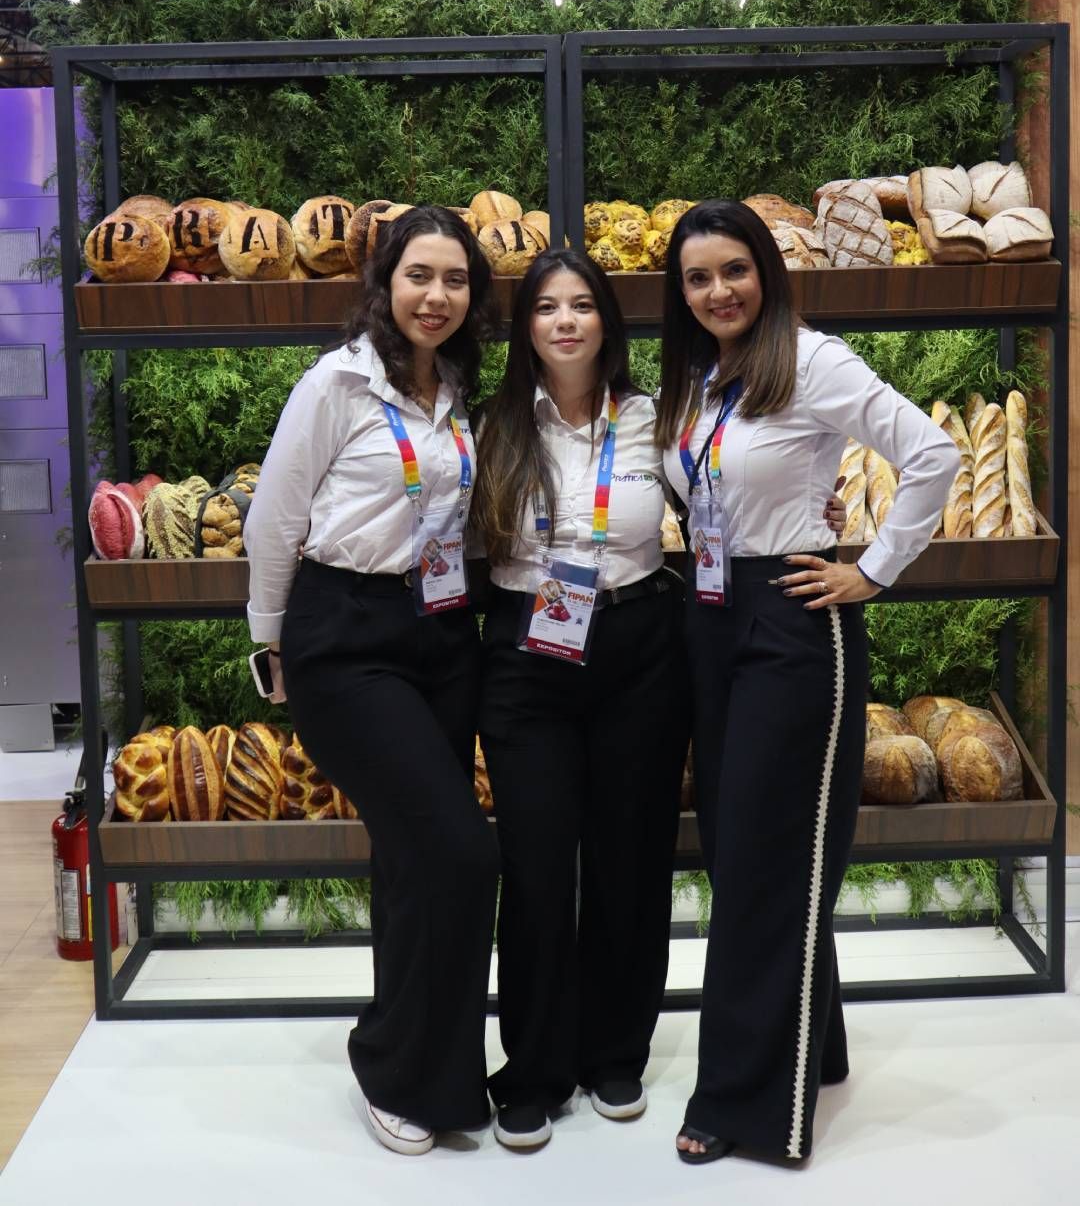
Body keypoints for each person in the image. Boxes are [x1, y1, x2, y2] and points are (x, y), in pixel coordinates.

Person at [471, 248, 849, 1152]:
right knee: (533, 864)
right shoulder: (491, 426)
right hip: (527, 653)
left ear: (608, 320)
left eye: (582, 306)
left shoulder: (659, 416)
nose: (565, 322)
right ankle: (531, 1069)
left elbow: (731, 487)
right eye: (546, 308)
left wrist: (823, 510)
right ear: (526, 328)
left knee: (631, 860)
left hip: (642, 646)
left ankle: (615, 1054)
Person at [655, 199, 959, 1166]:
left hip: (794, 619)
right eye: (698, 277)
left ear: (767, 273)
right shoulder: (699, 375)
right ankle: (812, 1049)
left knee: (765, 860)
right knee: (747, 848)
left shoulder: (814, 360)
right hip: (708, 614)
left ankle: (744, 1106)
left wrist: (871, 568)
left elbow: (933, 454)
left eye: (734, 271)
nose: (717, 292)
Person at [243, 205, 499, 1157]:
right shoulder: (337, 384)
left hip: (440, 629)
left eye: (456, 280)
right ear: (386, 284)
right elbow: (273, 521)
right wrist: (270, 644)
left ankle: (433, 1071)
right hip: (344, 633)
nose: (437, 296)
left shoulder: (460, 386)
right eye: (419, 276)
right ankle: (389, 1062)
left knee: (409, 864)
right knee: (464, 854)